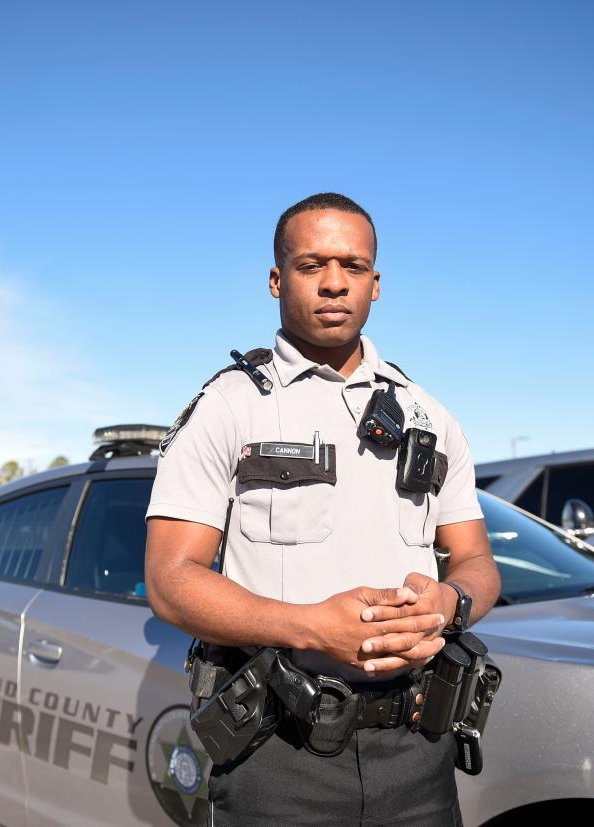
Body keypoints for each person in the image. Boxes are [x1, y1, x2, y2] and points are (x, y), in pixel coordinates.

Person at [144, 192, 501, 826]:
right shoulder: (230, 407)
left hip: (418, 748)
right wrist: (313, 627)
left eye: (353, 266)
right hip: (280, 755)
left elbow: (475, 559)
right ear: (277, 280)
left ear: (376, 283)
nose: (334, 284)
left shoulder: (430, 415)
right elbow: (171, 584)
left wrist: (450, 604)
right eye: (311, 266)